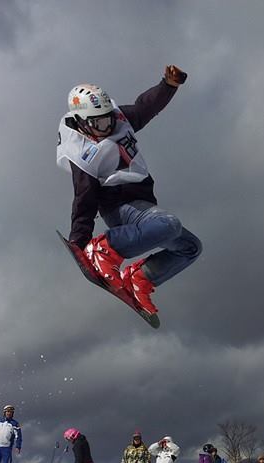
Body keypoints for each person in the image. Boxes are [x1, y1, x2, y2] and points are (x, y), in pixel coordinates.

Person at [56, 65, 201, 317]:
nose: (107, 126)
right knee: (170, 225)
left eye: (108, 118)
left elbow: (146, 107)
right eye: (99, 123)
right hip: (119, 208)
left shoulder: (116, 119)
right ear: (82, 123)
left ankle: (140, 279)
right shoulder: (81, 153)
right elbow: (84, 200)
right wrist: (79, 243)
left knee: (190, 247)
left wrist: (168, 85)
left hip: (141, 202)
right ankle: (104, 249)